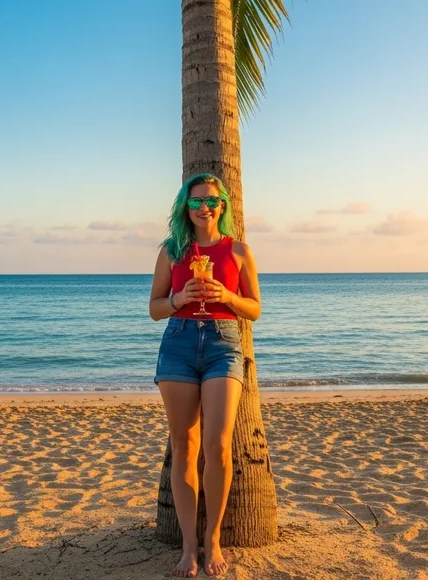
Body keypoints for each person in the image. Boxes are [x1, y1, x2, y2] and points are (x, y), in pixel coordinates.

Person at [149, 172, 261, 578]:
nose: (204, 208)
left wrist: (226, 296)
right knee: (183, 445)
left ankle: (213, 539)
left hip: (223, 344)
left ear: (223, 206)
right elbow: (156, 308)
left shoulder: (239, 251)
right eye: (195, 201)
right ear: (186, 206)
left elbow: (254, 309)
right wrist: (180, 297)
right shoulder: (173, 250)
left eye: (211, 201)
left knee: (216, 445)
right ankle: (188, 547)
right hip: (178, 343)